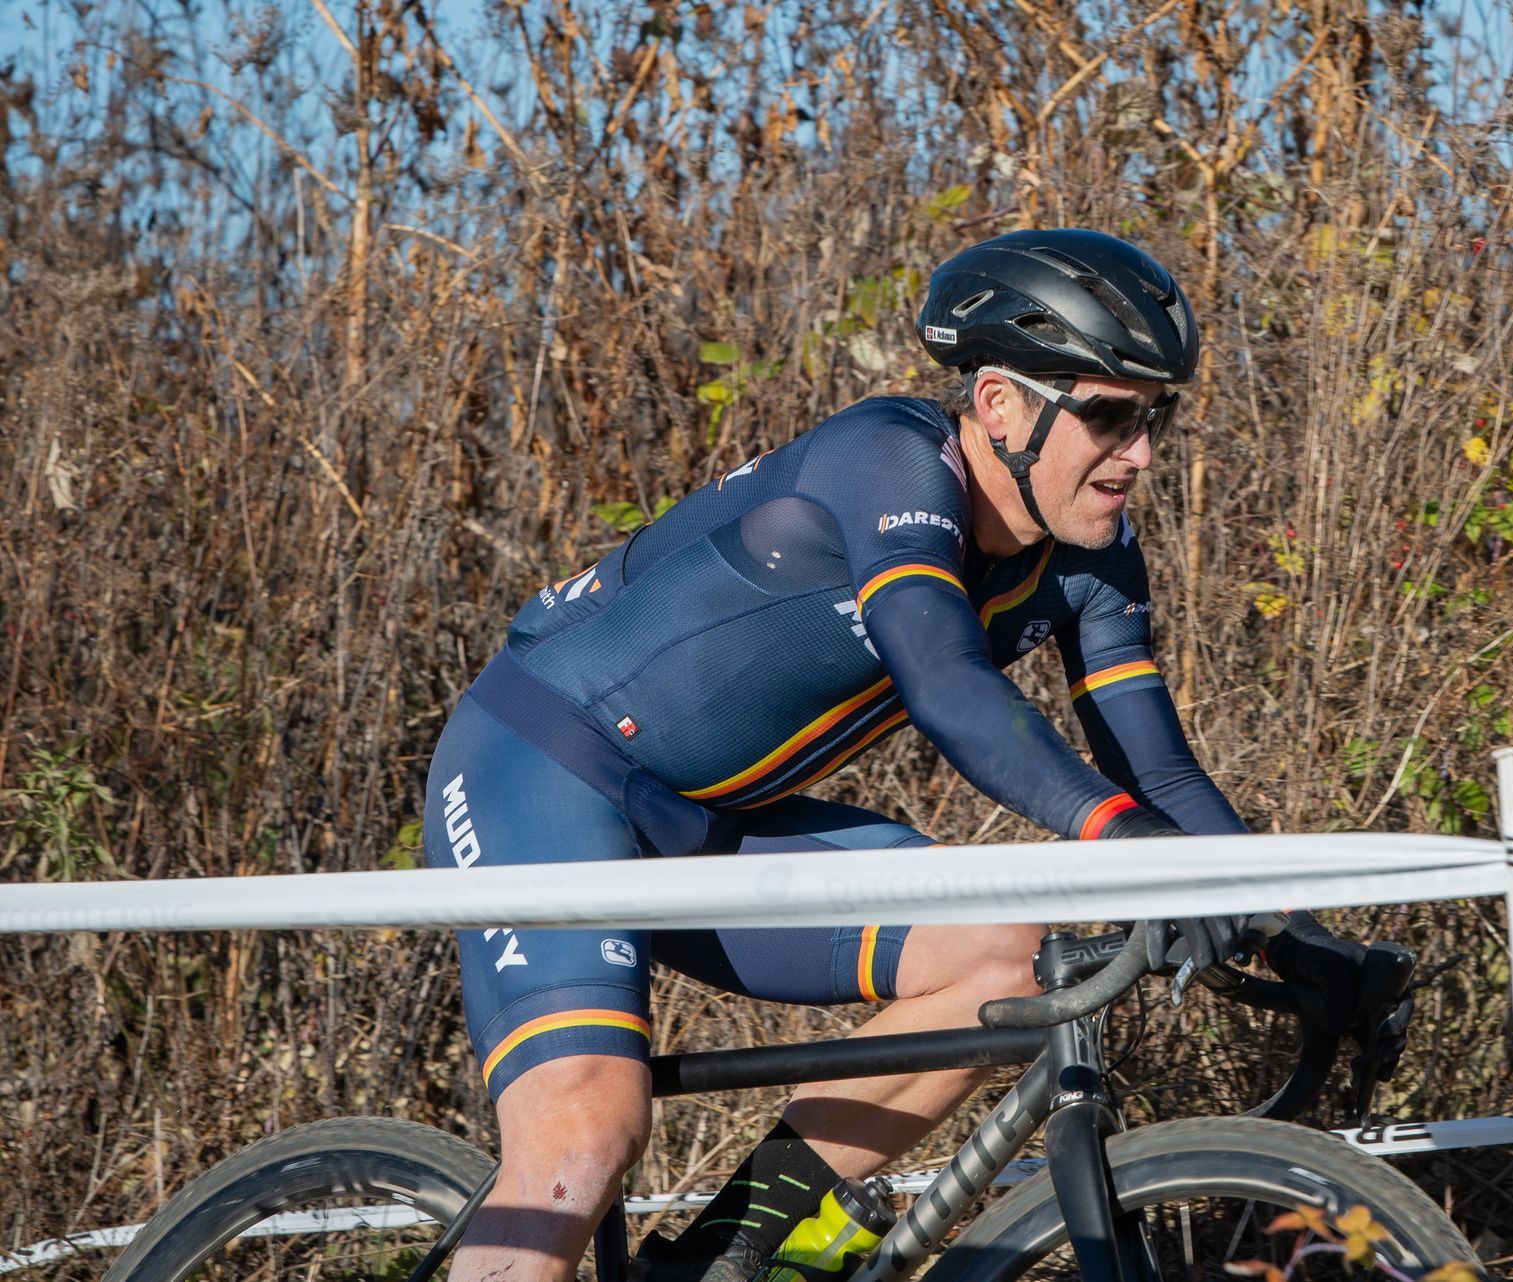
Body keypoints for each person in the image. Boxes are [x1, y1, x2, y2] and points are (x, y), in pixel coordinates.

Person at [422, 228, 1373, 1282]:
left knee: (1002, 960)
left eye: (1152, 417)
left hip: (699, 819)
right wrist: (1131, 848)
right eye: (1108, 414)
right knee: (584, 1138)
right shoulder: (886, 462)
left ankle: (722, 1255)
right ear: (1002, 407)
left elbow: (1165, 780)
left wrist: (1292, 932)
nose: (1140, 452)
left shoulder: (1096, 557)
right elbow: (948, 688)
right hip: (543, 766)